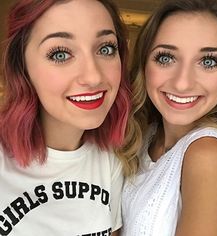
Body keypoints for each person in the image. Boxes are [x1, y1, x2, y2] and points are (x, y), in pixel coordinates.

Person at [0, 0, 134, 235]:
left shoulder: (110, 160)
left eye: (105, 49)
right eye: (60, 54)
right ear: (22, 67)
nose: (93, 77)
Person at [122, 0, 217, 235]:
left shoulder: (210, 155)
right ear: (144, 64)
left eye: (208, 62)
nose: (182, 83)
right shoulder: (145, 136)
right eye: (166, 58)